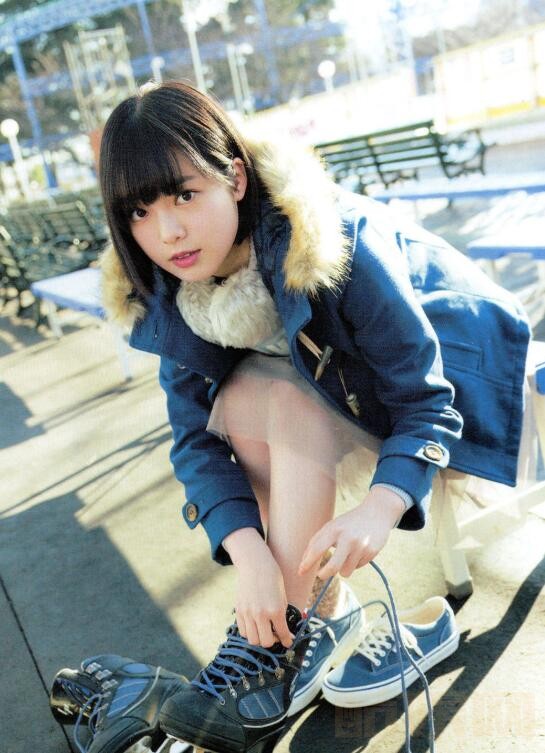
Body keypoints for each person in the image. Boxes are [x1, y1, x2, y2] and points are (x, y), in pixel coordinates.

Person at [98, 81, 531, 752]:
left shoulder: (333, 243)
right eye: (139, 211)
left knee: (279, 391)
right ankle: (310, 617)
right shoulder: (172, 290)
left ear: (235, 178)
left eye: (184, 194)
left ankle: (278, 642)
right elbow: (193, 442)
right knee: (247, 393)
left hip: (457, 367)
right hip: (330, 387)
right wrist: (250, 557)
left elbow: (426, 396)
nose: (167, 231)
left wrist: (380, 507)